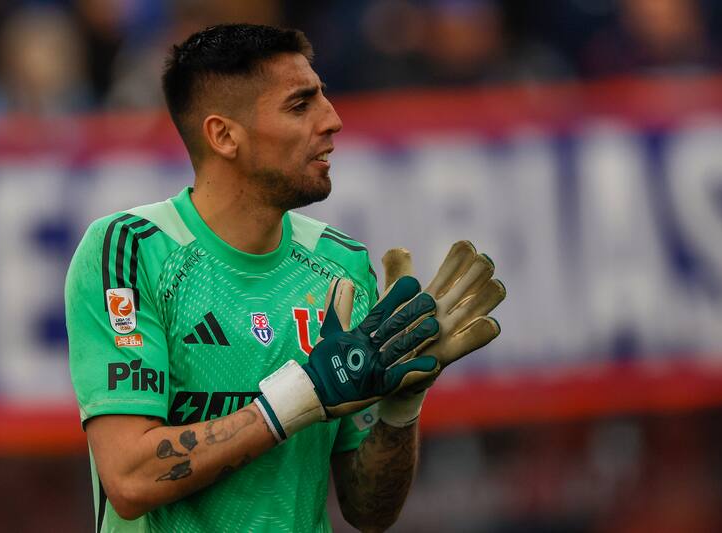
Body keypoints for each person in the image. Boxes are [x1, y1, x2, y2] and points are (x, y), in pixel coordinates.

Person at [66, 23, 449, 532]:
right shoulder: (131, 251)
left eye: (324, 98)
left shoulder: (342, 265)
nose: (332, 120)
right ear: (224, 135)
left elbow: (368, 510)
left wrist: (401, 412)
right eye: (300, 105)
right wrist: (300, 397)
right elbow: (131, 480)